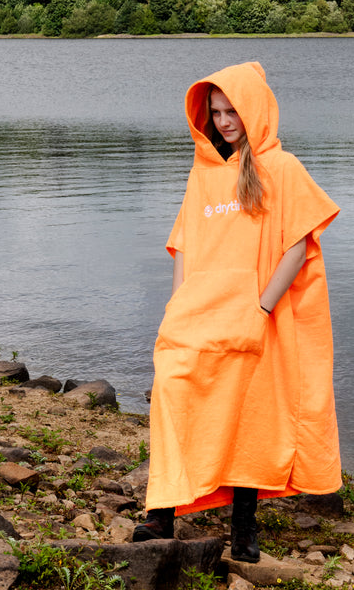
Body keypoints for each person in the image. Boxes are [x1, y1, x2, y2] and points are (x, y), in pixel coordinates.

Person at [133, 62, 340, 563]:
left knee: (250, 414)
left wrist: (263, 305)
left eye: (233, 111)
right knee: (176, 396)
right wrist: (177, 306)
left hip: (254, 314)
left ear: (255, 111)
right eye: (216, 113)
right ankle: (162, 511)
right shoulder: (202, 174)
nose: (225, 122)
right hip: (197, 313)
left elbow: (297, 245)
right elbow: (184, 246)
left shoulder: (282, 168)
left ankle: (244, 528)